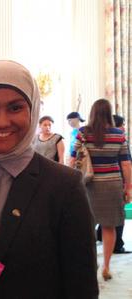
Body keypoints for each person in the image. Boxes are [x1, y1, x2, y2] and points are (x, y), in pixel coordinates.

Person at [0, 60, 98, 298]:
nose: (2, 122)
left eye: (15, 108)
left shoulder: (64, 186)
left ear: (32, 110)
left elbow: (81, 283)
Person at [71, 99, 132, 280]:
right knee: (109, 226)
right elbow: (127, 164)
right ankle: (106, 265)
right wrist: (129, 187)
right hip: (112, 185)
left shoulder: (83, 133)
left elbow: (73, 160)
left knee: (86, 227)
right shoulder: (118, 134)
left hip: (87, 185)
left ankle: (90, 264)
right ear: (108, 113)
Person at [96, 114, 130, 254]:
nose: (124, 127)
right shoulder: (118, 139)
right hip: (116, 181)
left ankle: (100, 236)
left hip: (99, 182)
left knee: (102, 213)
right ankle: (118, 245)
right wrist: (128, 185)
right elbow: (126, 164)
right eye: (121, 124)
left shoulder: (100, 140)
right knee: (117, 215)